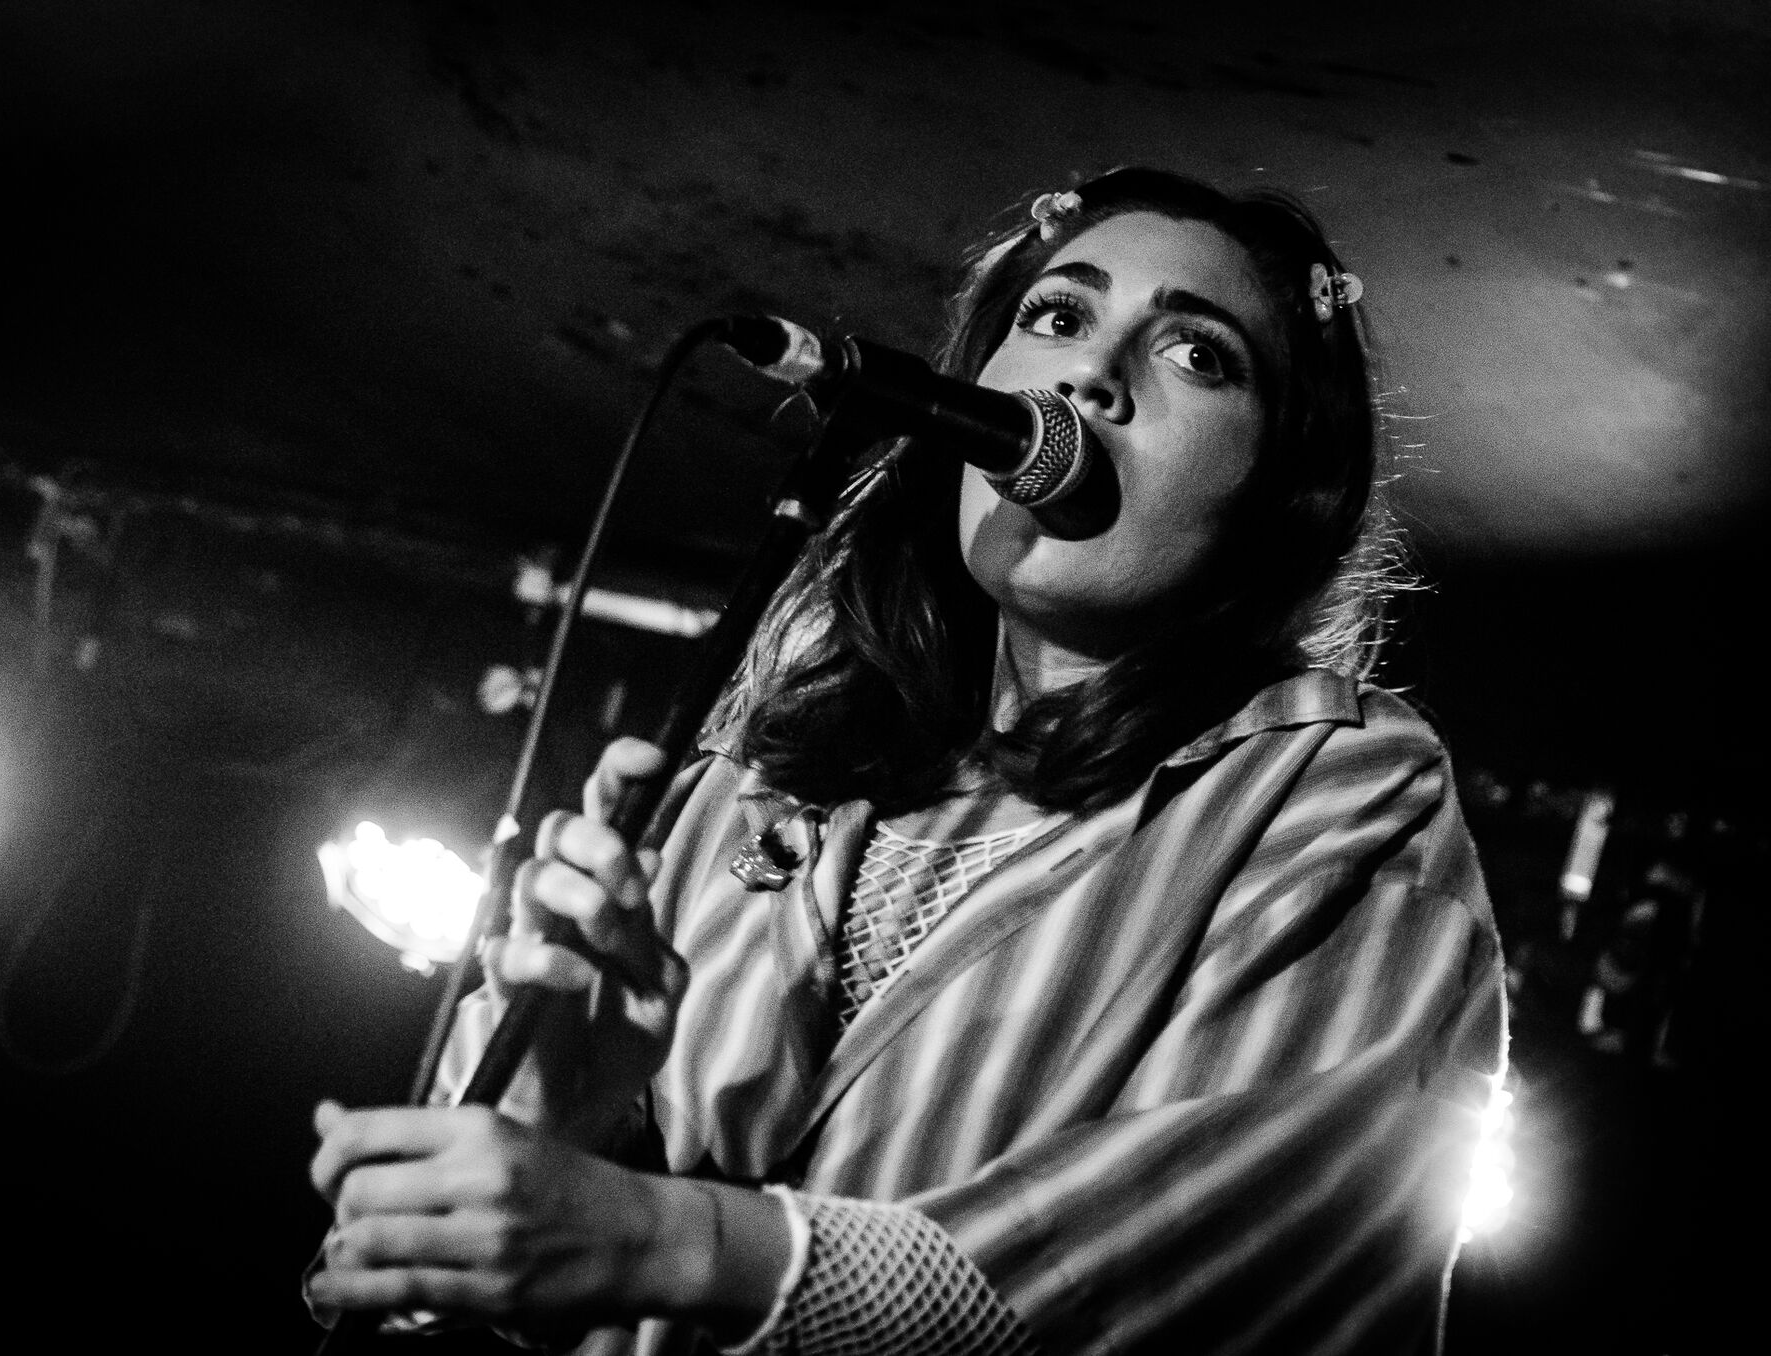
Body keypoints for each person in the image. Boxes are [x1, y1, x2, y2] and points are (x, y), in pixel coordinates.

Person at [307, 167, 1509, 1355]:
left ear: (1283, 492)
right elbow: (420, 1270)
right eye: (1056, 315)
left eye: (1196, 354)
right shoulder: (756, 780)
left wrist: (671, 1241)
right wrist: (558, 1122)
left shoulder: (1340, 789)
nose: (1088, 374)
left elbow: (1211, 1260)